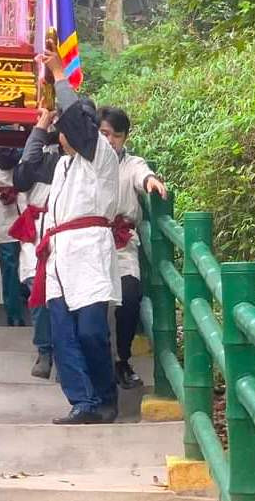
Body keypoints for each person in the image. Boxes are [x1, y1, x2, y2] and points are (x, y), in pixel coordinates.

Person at [30, 50, 121, 425]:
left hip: (89, 251)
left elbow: (77, 122)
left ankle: (105, 396)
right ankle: (81, 402)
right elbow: (26, 169)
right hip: (59, 255)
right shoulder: (63, 165)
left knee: (91, 332)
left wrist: (57, 72)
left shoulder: (101, 158)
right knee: (65, 335)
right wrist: (45, 101)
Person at [98, 105, 168, 390]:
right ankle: (92, 362)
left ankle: (121, 360)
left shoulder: (132, 163)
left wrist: (151, 181)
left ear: (125, 137)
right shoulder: (85, 162)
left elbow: (143, 174)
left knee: (129, 299)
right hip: (92, 242)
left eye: (116, 135)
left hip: (123, 242)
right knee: (93, 305)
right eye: (104, 133)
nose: (110, 140)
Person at [11, 116, 61, 378]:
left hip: (65, 233)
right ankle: (44, 350)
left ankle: (63, 352)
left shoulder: (83, 159)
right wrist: (41, 127)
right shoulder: (36, 160)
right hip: (36, 233)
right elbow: (23, 174)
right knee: (37, 292)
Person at [0, 144, 28, 326]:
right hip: (5, 205)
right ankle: (14, 312)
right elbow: (4, 160)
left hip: (26, 203)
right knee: (10, 263)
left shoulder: (31, 135)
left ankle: (25, 302)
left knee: (32, 260)